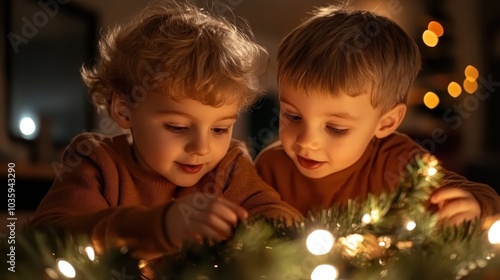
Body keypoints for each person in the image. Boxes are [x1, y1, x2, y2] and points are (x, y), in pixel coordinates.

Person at [29, 0, 302, 261]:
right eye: (178, 127)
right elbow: (49, 238)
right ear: (123, 110)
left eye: (220, 129)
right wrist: (159, 227)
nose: (202, 148)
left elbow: (278, 215)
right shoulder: (96, 161)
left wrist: (255, 230)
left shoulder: (228, 167)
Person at [255, 5, 500, 224]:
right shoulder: (270, 168)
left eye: (336, 128)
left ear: (387, 122)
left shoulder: (398, 163)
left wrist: (475, 205)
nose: (306, 141)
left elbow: (480, 195)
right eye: (293, 116)